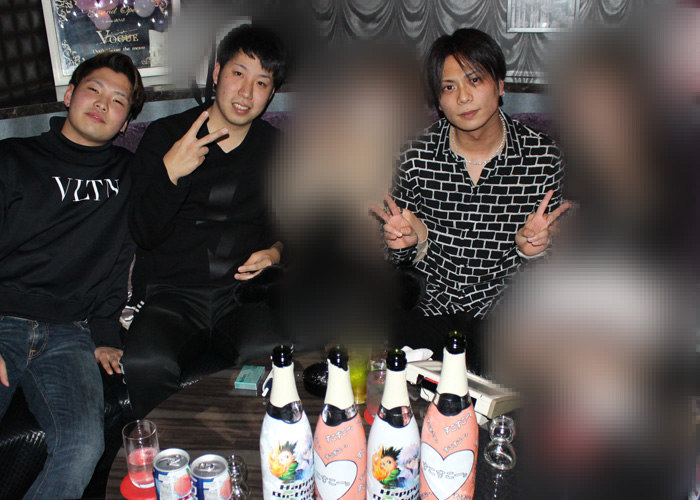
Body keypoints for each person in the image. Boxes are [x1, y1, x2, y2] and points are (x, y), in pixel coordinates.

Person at [372, 29, 570, 373]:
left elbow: (554, 265)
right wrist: (404, 243)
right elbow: (394, 250)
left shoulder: (542, 156)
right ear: (438, 101)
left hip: (504, 318)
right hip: (429, 310)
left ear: (500, 85)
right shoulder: (416, 153)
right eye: (449, 87)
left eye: (475, 80)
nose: (463, 97)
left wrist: (533, 250)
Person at [122, 24, 288, 418]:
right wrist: (170, 175)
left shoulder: (278, 149)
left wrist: (276, 252)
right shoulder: (166, 136)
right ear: (216, 73)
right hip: (171, 294)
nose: (246, 92)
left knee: (272, 354)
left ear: (271, 93)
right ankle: (171, 451)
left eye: (261, 82)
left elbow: (295, 225)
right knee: (145, 362)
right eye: (238, 73)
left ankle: (255, 447)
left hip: (242, 294)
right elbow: (143, 233)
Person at [0, 52, 144, 499]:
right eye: (93, 90)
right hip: (3, 319)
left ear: (125, 123)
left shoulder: (130, 174)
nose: (102, 103)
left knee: (83, 447)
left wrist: (105, 332)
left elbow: (122, 256)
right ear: (68, 95)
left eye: (118, 100)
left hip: (70, 333)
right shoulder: (12, 158)